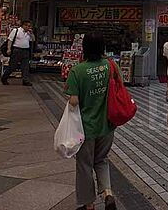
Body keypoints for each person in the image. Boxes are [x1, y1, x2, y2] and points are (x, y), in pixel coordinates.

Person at [65, 32, 117, 210]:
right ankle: (108, 194)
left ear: (84, 47)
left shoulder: (77, 70)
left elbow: (73, 101)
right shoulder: (110, 66)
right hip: (108, 124)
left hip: (85, 127)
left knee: (84, 165)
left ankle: (89, 205)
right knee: (101, 159)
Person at [1, 20, 35, 86]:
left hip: (26, 51)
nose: (28, 27)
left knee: (25, 67)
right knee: (12, 66)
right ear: (23, 25)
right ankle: (4, 77)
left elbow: (33, 39)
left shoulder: (29, 33)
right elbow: (10, 40)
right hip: (17, 50)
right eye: (27, 26)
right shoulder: (16, 31)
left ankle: (25, 80)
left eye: (29, 26)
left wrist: (31, 33)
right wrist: (9, 49)